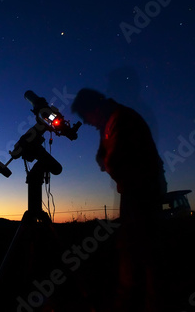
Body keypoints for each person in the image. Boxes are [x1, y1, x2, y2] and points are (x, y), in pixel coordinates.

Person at [71, 88, 168, 312]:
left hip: (142, 192)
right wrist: (104, 155)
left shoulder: (121, 120)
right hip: (136, 191)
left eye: (86, 117)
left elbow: (115, 161)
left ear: (94, 108)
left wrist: (107, 161)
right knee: (135, 249)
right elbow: (106, 154)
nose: (87, 123)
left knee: (139, 250)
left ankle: (144, 301)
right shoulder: (112, 120)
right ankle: (138, 297)